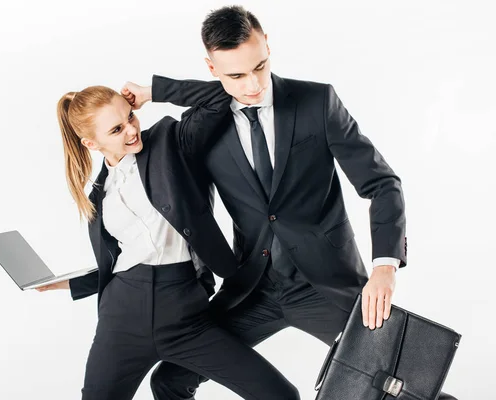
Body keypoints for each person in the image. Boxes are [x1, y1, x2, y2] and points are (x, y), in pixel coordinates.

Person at [149, 6, 457, 400]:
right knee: (169, 379)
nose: (253, 85)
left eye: (259, 66)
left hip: (326, 285)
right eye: (236, 76)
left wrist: (385, 267)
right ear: (211, 69)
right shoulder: (202, 126)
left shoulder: (317, 102)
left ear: (268, 46)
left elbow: (382, 183)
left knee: (410, 388)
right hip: (252, 288)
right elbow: (177, 201)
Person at [36, 75, 300, 400]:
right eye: (116, 130)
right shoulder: (99, 195)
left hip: (186, 316)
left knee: (279, 395)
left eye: (129, 117)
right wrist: (69, 283)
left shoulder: (167, 141)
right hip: (122, 321)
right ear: (92, 144)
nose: (131, 130)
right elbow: (123, 260)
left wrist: (153, 92)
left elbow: (222, 96)